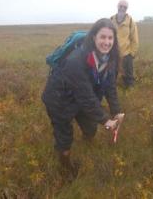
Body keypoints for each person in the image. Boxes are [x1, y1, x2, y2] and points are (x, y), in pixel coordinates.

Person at [42, 18, 124, 179]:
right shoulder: (76, 60)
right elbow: (85, 95)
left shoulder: (110, 59)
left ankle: (87, 146)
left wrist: (116, 111)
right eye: (102, 37)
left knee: (90, 128)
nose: (106, 42)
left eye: (110, 38)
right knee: (64, 136)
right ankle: (66, 170)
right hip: (59, 98)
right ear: (94, 37)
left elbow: (110, 86)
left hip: (81, 97)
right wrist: (106, 121)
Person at [111, 0, 139, 88]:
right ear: (117, 6)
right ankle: (111, 91)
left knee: (129, 78)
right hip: (113, 54)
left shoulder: (131, 21)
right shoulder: (111, 20)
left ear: (127, 9)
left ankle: (130, 94)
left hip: (126, 54)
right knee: (111, 77)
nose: (122, 8)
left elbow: (134, 39)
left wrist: (132, 54)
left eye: (125, 7)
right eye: (121, 6)